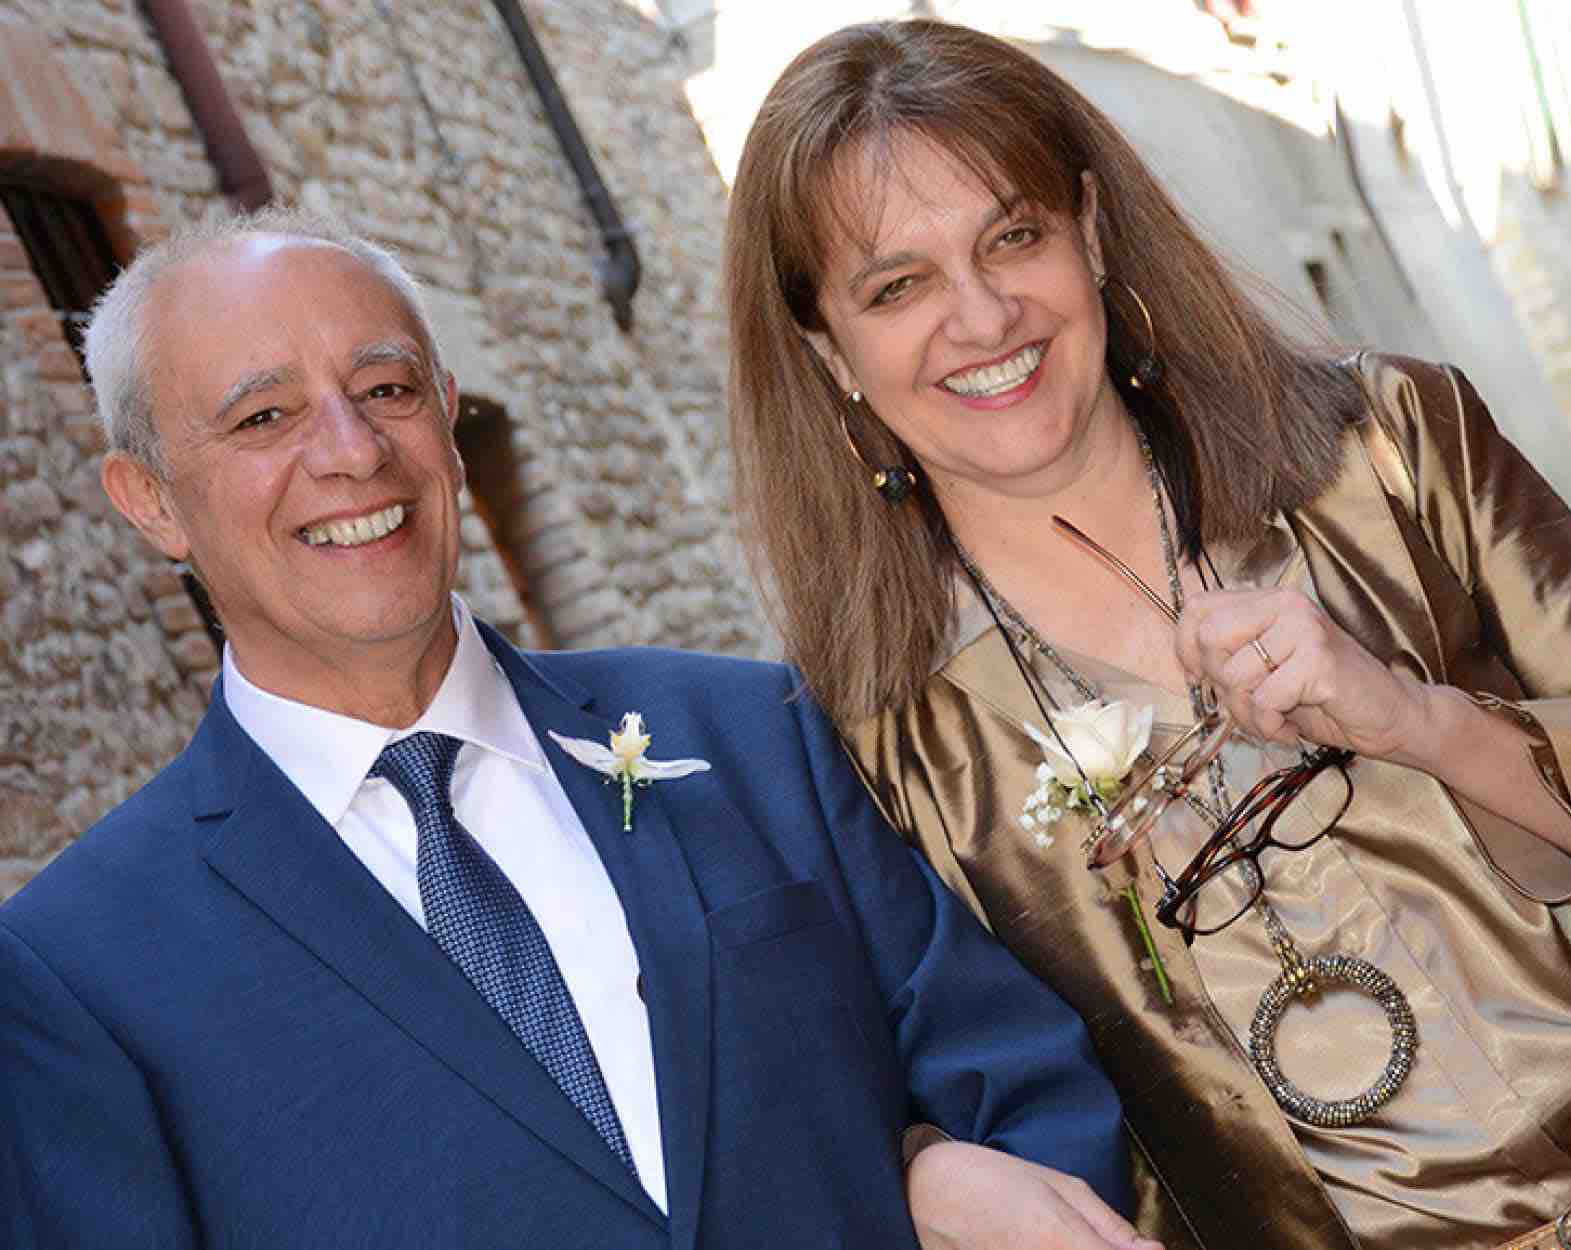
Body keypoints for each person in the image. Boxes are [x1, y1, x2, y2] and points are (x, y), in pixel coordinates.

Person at [0, 208, 1162, 1250]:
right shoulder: (77, 973)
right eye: (264, 416)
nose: (352, 451)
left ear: (447, 417)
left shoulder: (751, 730)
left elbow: (1016, 1077)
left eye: (388, 389)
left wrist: (935, 1163)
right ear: (150, 499)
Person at [725, 18, 1571, 1250]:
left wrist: (1422, 722)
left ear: (1089, 229)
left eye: (1012, 237)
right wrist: (918, 1161)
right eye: (896, 286)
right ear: (824, 346)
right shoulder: (873, 751)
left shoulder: (1391, 444)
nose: (982, 314)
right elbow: (894, 1096)